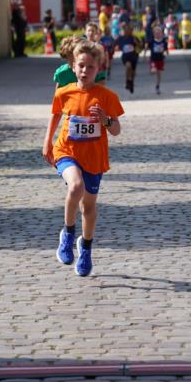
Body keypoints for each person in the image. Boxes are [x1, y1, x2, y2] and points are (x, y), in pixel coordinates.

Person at [42, 39, 123, 277]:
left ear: (98, 69)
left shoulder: (106, 96)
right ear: (73, 68)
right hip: (67, 151)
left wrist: (105, 120)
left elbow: (116, 129)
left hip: (94, 158)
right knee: (75, 186)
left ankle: (85, 248)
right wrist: (47, 141)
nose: (85, 70)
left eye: (90, 67)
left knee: (88, 208)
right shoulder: (64, 93)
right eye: (81, 66)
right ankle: (67, 234)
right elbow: (55, 115)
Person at [115, 20, 139, 93]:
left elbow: (140, 45)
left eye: (128, 30)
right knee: (128, 66)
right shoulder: (120, 38)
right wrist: (115, 47)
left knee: (133, 72)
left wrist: (136, 42)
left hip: (134, 56)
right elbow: (115, 44)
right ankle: (127, 81)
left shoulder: (133, 37)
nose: (126, 31)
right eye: (125, 30)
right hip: (125, 56)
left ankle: (131, 83)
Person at [146, 20, 168, 94]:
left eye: (159, 33)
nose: (158, 34)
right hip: (153, 59)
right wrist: (144, 54)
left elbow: (165, 48)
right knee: (154, 70)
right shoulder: (152, 41)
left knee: (159, 73)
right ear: (154, 34)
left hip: (160, 59)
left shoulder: (163, 41)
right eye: (156, 33)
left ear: (162, 34)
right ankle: (152, 68)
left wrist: (167, 52)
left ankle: (157, 86)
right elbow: (147, 47)